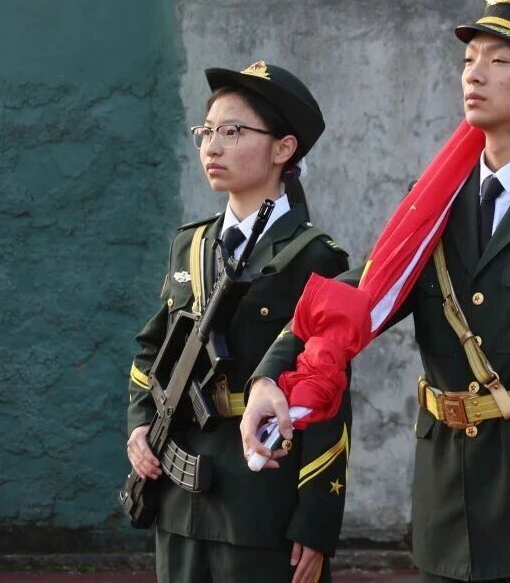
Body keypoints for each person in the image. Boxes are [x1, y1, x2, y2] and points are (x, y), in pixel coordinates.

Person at [242, 0, 510, 583]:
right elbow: (362, 293)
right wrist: (271, 374)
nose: (476, 74)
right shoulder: (434, 201)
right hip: (443, 493)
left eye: (501, 60)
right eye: (469, 59)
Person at [126, 61, 351, 583]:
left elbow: (331, 394)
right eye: (207, 131)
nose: (212, 146)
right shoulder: (192, 244)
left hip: (262, 499)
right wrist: (138, 425)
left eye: (233, 132)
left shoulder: (312, 257)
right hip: (179, 493)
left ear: (283, 149)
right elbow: (151, 349)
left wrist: (315, 520)